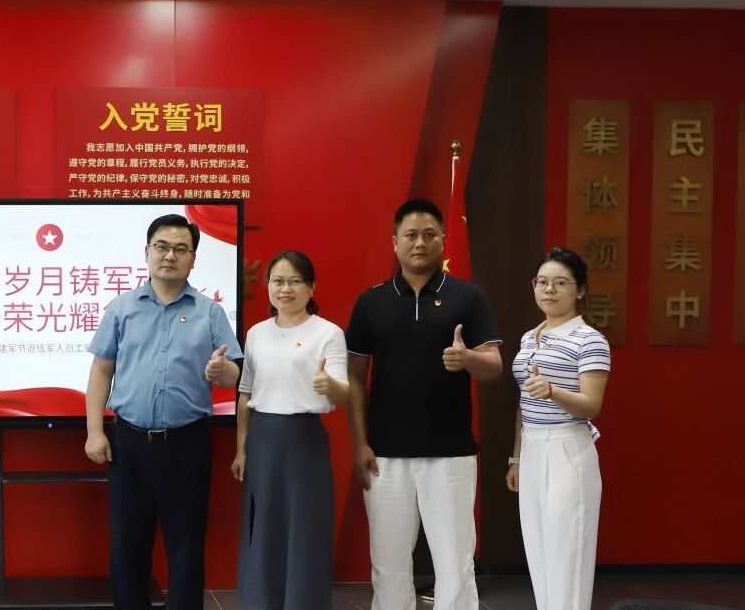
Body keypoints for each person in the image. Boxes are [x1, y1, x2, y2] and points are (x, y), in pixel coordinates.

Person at [346, 198, 502, 610]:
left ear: (443, 240)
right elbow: (355, 378)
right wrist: (360, 443)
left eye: (429, 234)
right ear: (394, 242)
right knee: (389, 565)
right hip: (385, 456)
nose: (420, 242)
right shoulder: (371, 301)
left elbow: (494, 366)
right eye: (411, 235)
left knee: (455, 563)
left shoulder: (468, 296)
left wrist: (468, 359)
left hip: (450, 454)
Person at [84, 213, 243, 610]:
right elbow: (101, 371)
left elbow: (234, 374)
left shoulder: (209, 312)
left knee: (186, 545)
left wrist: (222, 371)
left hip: (187, 444)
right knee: (127, 545)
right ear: (147, 252)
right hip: (129, 443)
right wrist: (95, 431)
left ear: (192, 259)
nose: (170, 255)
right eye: (162, 246)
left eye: (180, 249)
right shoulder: (121, 308)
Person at [233, 250, 348, 610]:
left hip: (303, 440)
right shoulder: (256, 333)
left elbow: (343, 391)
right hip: (262, 439)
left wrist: (328, 384)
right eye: (278, 281)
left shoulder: (328, 333)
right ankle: (262, 601)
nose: (285, 289)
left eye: (295, 281)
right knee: (264, 526)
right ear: (267, 286)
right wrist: (241, 448)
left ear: (311, 287)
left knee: (304, 527)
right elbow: (245, 394)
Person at [506, 247, 610, 610]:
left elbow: (591, 404)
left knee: (568, 555)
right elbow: (524, 402)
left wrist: (553, 391)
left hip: (567, 450)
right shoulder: (528, 338)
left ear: (580, 290)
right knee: (539, 553)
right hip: (533, 449)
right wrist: (516, 458)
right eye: (543, 282)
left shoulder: (589, 339)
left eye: (561, 283)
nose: (549, 289)